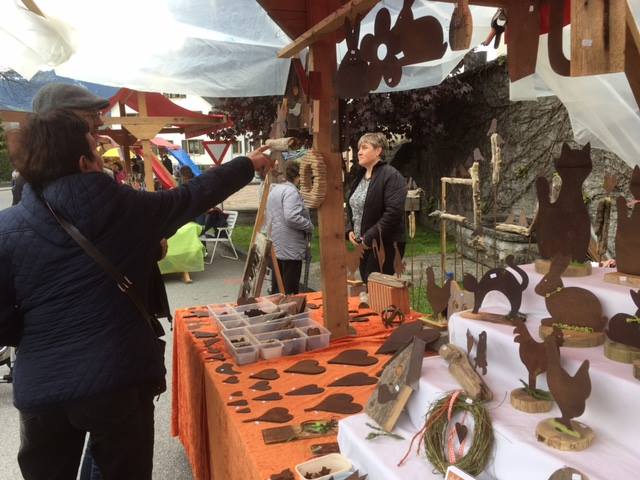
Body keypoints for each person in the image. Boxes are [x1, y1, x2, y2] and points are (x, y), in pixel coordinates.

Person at [0, 109, 271, 480]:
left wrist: (40, 338)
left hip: (41, 386)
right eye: (96, 149)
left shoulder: (6, 228)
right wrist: (248, 164)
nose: (102, 158)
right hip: (118, 378)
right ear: (83, 163)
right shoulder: (127, 207)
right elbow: (193, 196)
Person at [345, 132, 407, 283]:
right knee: (368, 285)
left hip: (385, 244)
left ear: (378, 150)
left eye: (364, 147)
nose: (359, 152)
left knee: (376, 288)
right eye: (359, 148)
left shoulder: (391, 176)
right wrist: (349, 230)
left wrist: (369, 237)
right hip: (364, 245)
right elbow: (354, 206)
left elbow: (393, 213)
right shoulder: (360, 176)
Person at [266, 160, 313, 294]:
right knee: (289, 289)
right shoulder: (291, 191)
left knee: (278, 287)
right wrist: (308, 225)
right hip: (290, 245)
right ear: (299, 176)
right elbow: (291, 216)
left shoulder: (276, 189)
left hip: (278, 243)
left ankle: (278, 305)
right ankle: (289, 307)